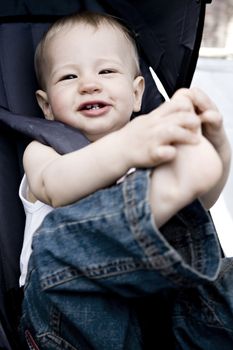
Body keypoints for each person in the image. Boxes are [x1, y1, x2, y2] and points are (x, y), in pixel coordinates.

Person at [19, 11, 233, 350]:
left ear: (137, 94)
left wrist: (219, 148)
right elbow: (54, 186)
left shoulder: (151, 143)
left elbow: (202, 201)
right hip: (68, 311)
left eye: (106, 71)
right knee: (55, 246)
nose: (89, 83)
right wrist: (128, 146)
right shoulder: (43, 150)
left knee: (219, 278)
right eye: (69, 76)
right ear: (46, 105)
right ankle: (148, 202)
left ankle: (157, 205)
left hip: (162, 310)